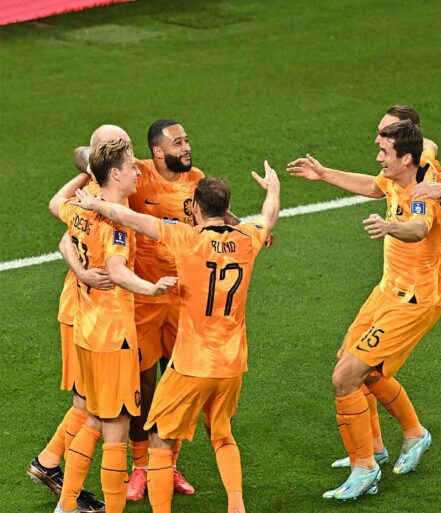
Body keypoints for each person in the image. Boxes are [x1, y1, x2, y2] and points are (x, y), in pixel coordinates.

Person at [71, 162, 280, 513]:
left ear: (195, 208)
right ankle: (236, 506)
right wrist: (273, 188)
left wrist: (95, 204)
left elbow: (131, 218)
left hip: (191, 365)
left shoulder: (186, 238)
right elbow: (268, 216)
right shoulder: (248, 237)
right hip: (231, 365)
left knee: (159, 441)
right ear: (225, 207)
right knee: (222, 435)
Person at [292, 105, 441, 470]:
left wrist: (398, 222)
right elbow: (377, 186)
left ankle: (405, 439)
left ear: (406, 147)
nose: (377, 140)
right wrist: (324, 174)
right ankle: (375, 447)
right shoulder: (405, 164)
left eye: (385, 134)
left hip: (416, 294)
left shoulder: (424, 182)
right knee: (349, 360)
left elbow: (430, 225)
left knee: (357, 372)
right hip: (390, 286)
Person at [74, 119, 215, 500]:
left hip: (183, 297)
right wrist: (93, 161)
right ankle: (140, 466)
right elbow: (83, 156)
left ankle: (167, 464)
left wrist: (242, 227)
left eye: (187, 140)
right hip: (143, 300)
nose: (187, 147)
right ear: (157, 151)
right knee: (143, 384)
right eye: (178, 142)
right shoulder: (137, 173)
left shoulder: (197, 180)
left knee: (177, 382)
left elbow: (216, 217)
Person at [48, 138, 176, 513]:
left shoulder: (83, 206)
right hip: (113, 335)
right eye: (132, 166)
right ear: (116, 173)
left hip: (86, 330)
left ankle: (66, 505)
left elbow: (56, 207)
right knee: (116, 431)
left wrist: (80, 271)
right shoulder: (114, 222)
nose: (138, 171)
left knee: (92, 419)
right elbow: (118, 270)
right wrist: (150, 288)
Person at [28, 125, 129, 513]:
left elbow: (60, 210)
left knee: (89, 407)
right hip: (84, 312)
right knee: (90, 409)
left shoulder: (98, 190)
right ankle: (58, 478)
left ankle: (52, 466)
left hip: (86, 310)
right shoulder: (98, 196)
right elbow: (63, 237)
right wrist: (84, 272)